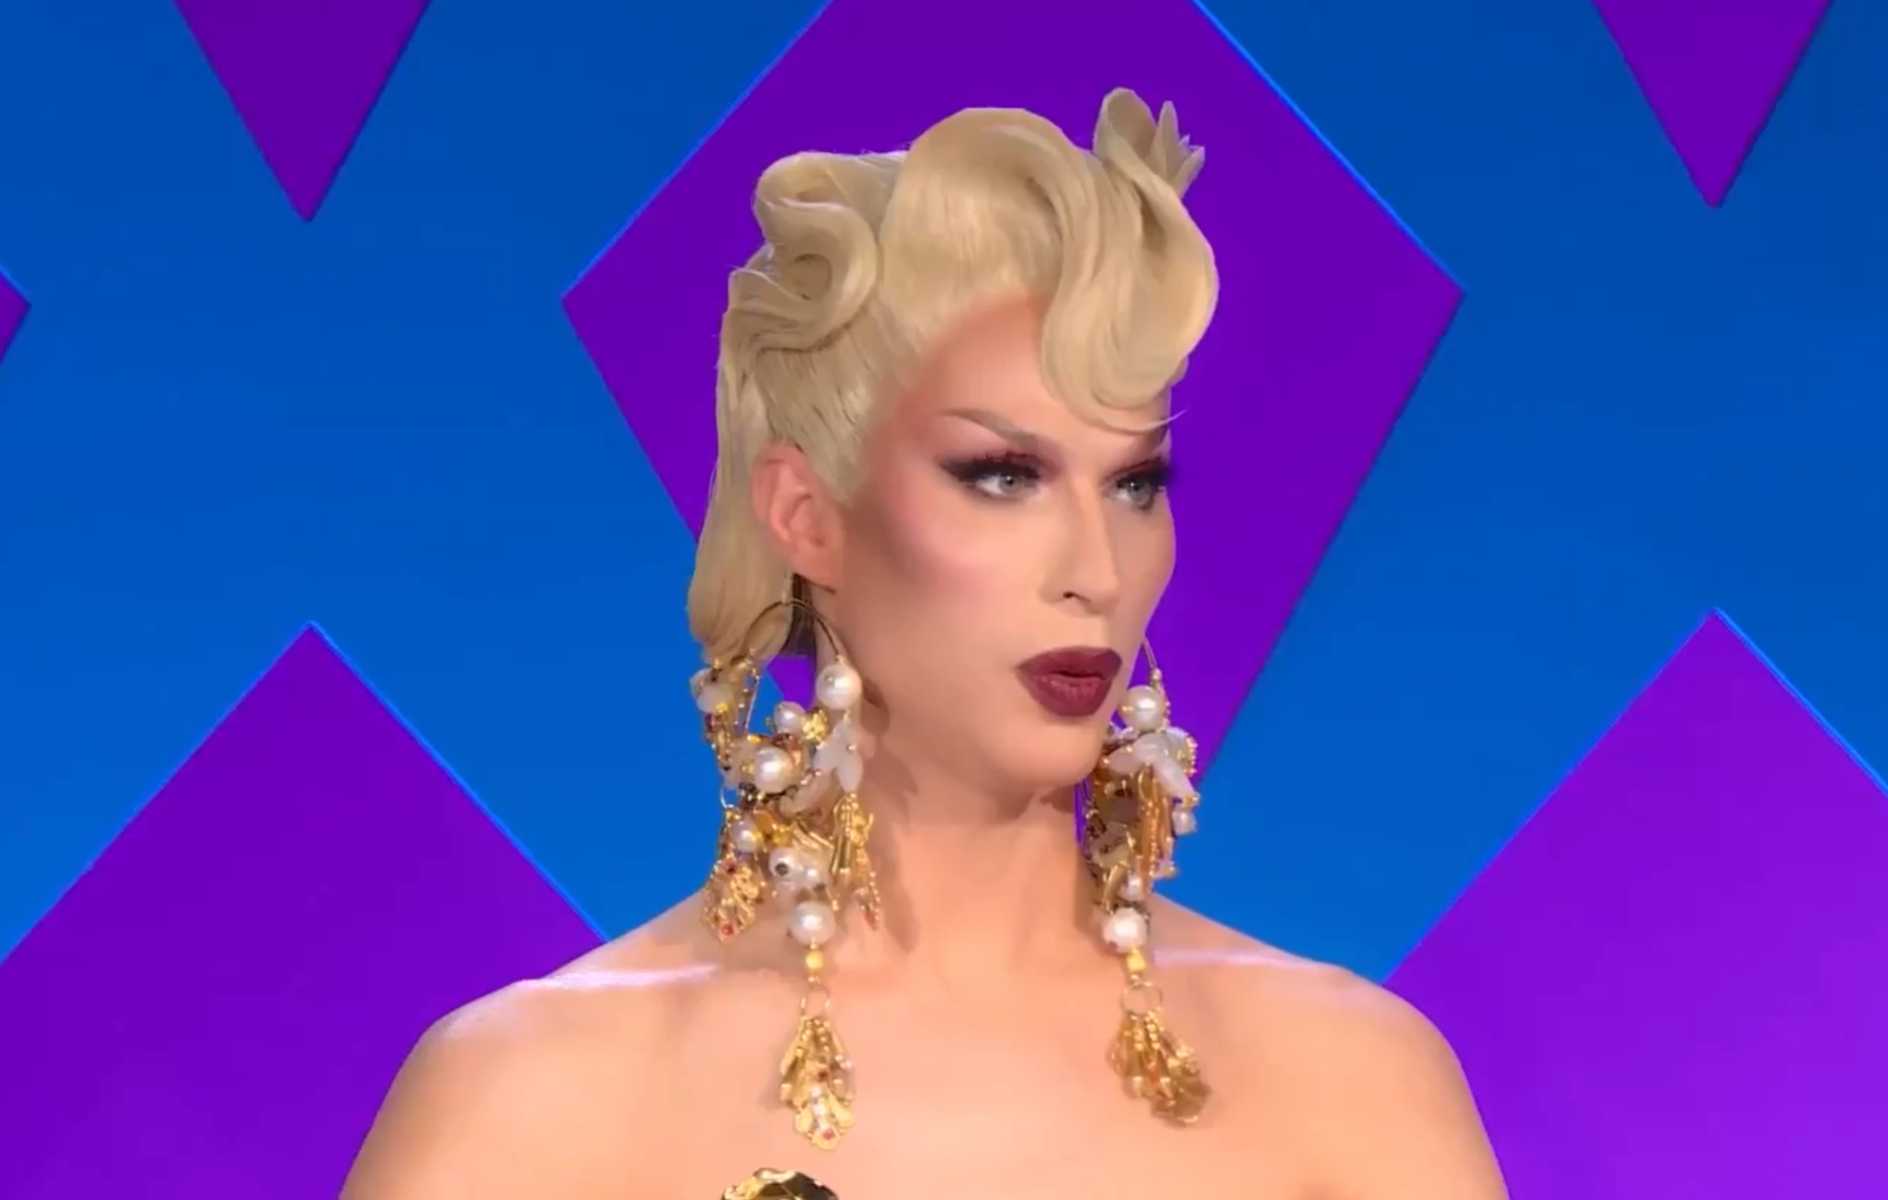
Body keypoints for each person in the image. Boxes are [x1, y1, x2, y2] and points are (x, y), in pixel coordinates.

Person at [341, 86, 1507, 1199]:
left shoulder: (1348, 1081)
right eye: (1001, 476)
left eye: (1134, 484)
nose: (1096, 571)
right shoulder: (532, 1101)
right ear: (806, 515)